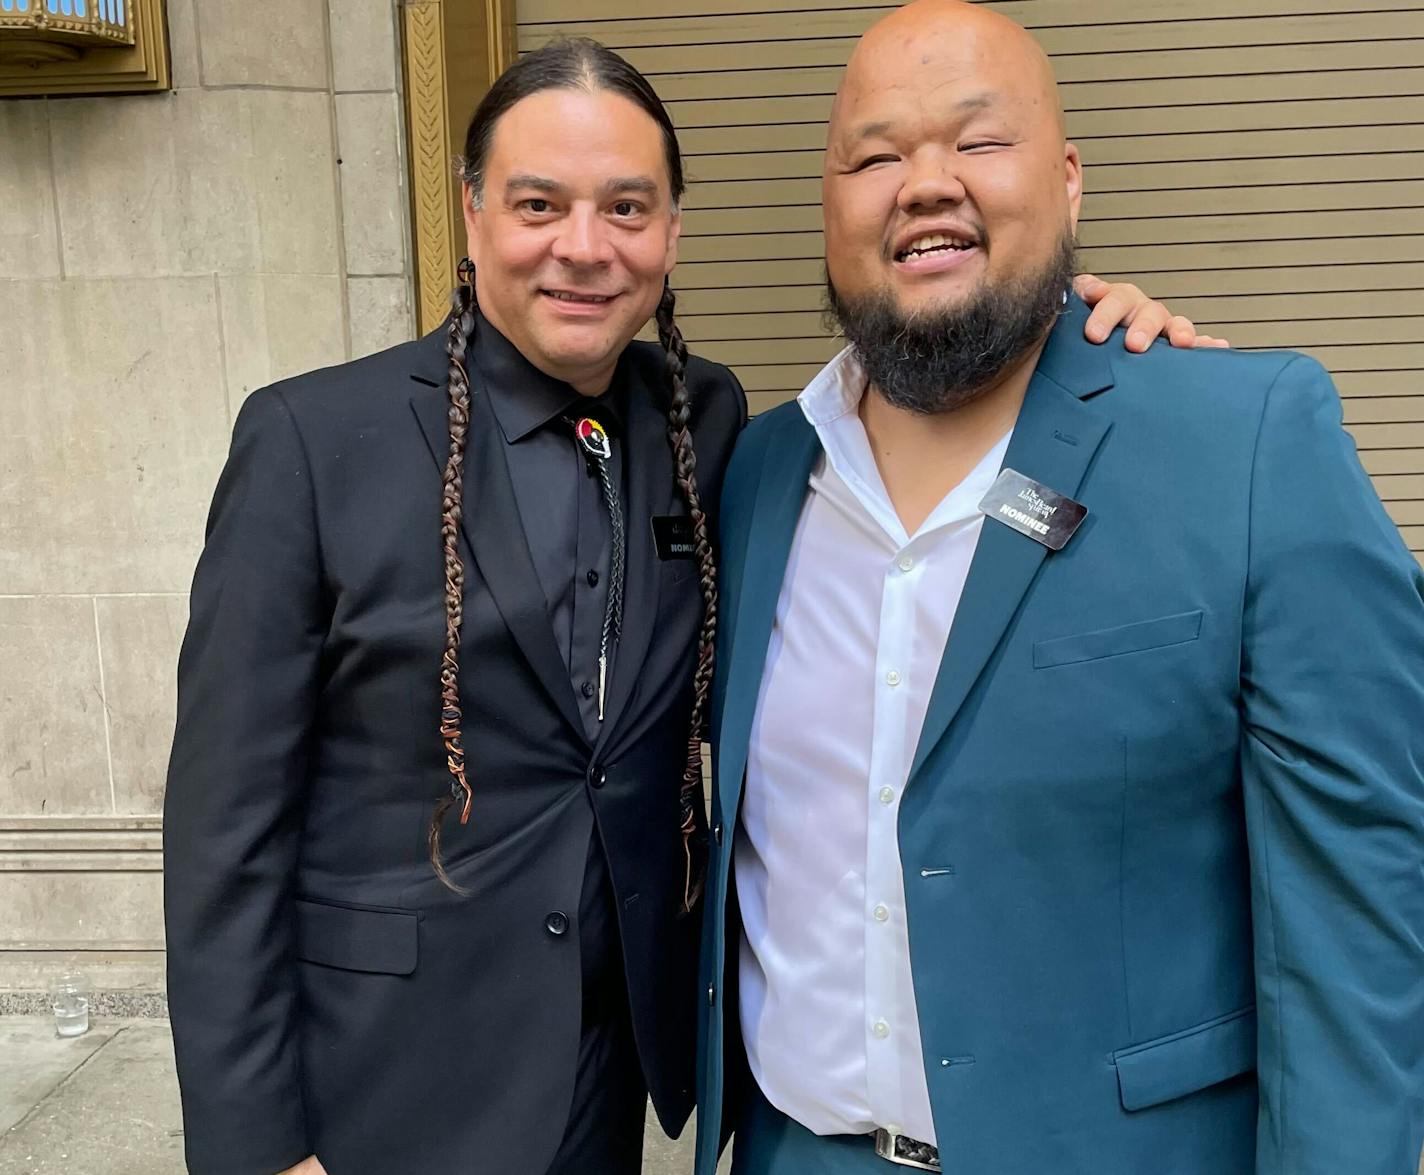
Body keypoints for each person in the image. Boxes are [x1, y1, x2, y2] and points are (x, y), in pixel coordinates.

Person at [163, 36, 1210, 1175]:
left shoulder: (707, 424)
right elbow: (224, 831)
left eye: (625, 207)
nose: (583, 247)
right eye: (537, 204)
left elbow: (953, 362)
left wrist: (1075, 324)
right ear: (471, 218)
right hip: (384, 1075)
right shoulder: (312, 442)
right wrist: (257, 1146)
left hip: (607, 1069)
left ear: (670, 231)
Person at [696, 4, 1424, 1175]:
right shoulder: (753, 472)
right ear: (827, 208)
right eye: (874, 155)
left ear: (1069, 181)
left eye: (976, 143)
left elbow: (1364, 911)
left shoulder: (1240, 441)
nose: (922, 182)